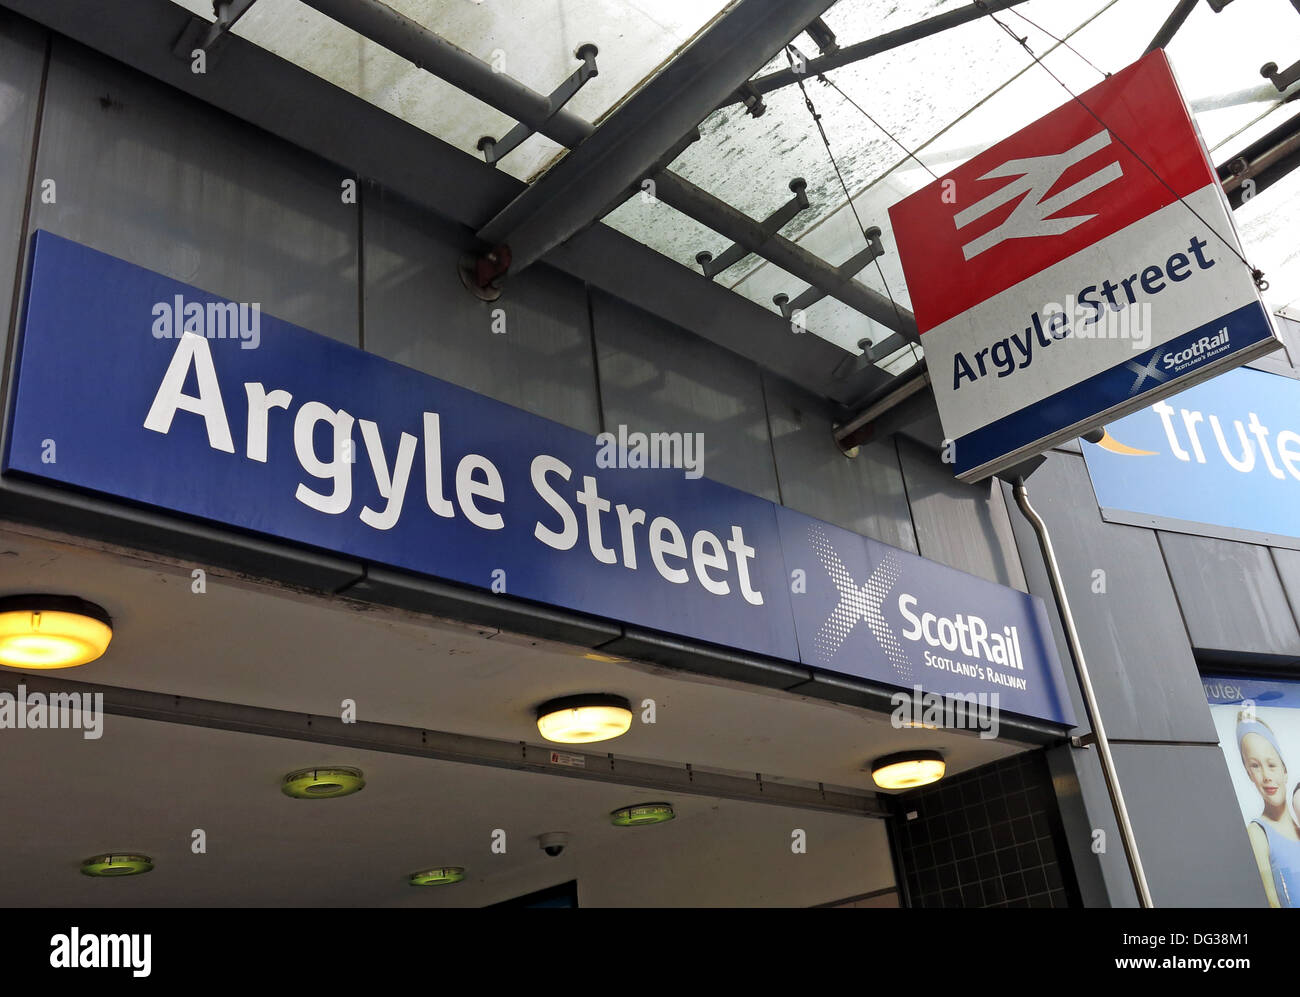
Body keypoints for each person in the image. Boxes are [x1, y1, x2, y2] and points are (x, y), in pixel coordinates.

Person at [1239, 713, 1300, 906]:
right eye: (1255, 766)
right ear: (1249, 774)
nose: (1266, 776)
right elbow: (1271, 903)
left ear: (1284, 769)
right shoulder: (1258, 833)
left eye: (1272, 765)